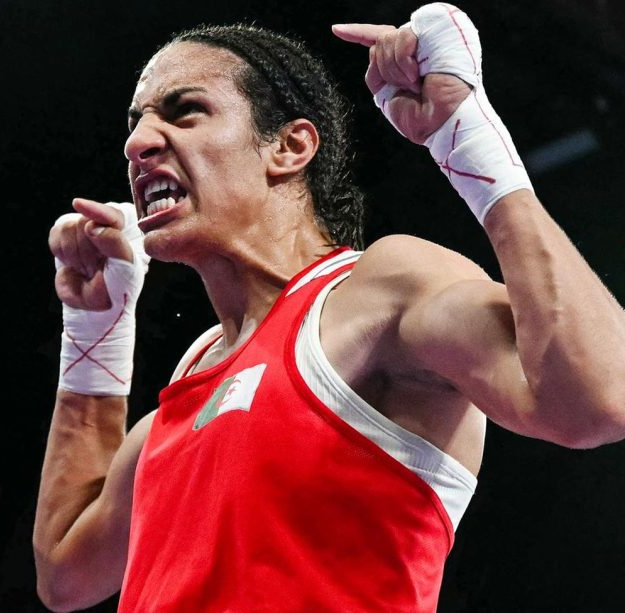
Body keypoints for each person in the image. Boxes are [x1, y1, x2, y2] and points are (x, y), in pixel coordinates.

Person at [34, 4, 625, 611]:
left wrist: (467, 136)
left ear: (290, 147)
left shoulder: (379, 292)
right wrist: (97, 328)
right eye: (136, 123)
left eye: (185, 112)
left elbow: (600, 400)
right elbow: (65, 574)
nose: (137, 143)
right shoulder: (195, 374)